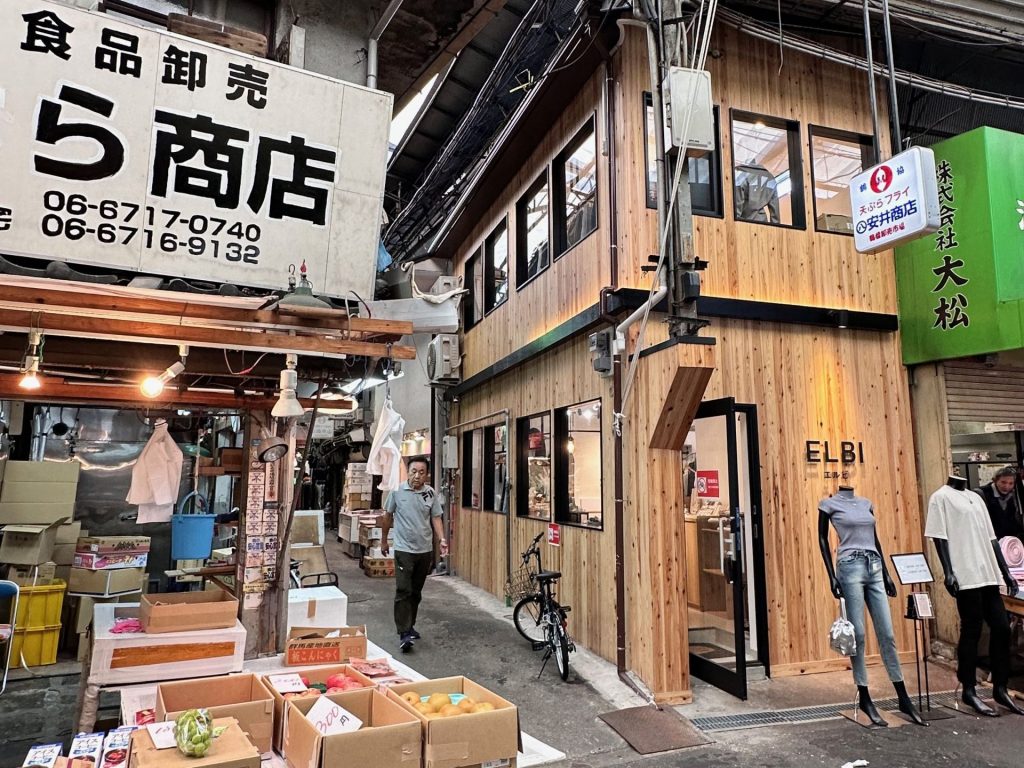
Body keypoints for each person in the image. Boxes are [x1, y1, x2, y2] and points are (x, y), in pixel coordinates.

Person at [817, 486, 924, 726]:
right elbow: (822, 538)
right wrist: (831, 576)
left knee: (887, 634)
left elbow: (875, 539)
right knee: (859, 635)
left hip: (874, 566)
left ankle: (903, 696)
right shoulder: (828, 505)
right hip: (849, 566)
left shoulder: (866, 503)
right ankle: (864, 695)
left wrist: (886, 572)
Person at [380, 458, 447, 653]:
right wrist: (384, 540)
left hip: (424, 550)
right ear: (408, 472)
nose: (417, 475)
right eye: (413, 471)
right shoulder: (397, 491)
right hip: (404, 550)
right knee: (403, 590)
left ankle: (410, 626)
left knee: (416, 592)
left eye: (421, 472)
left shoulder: (430, 493)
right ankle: (403, 632)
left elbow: (436, 517)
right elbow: (387, 516)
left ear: (427, 475)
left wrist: (442, 539)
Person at [975, 466, 1024, 541]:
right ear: (995, 480)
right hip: (991, 539)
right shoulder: (981, 494)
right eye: (1003, 482)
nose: (1007, 486)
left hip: (1011, 541)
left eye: (1011, 483)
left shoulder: (1015, 495)